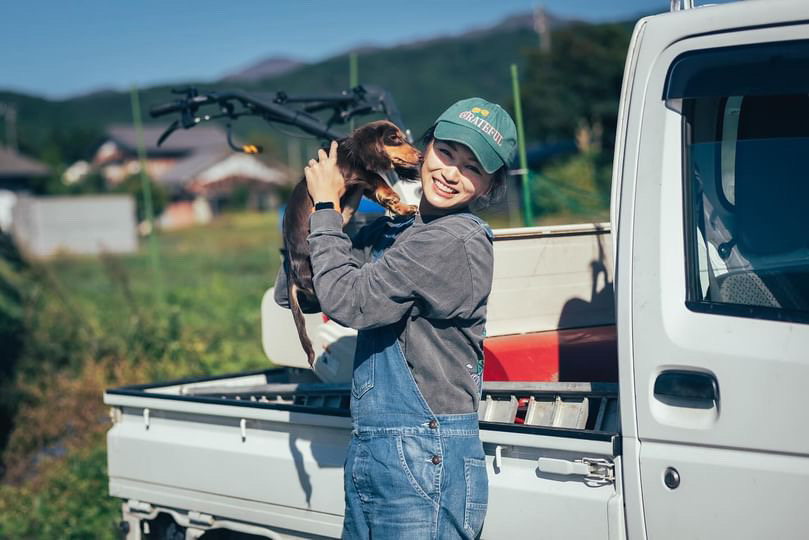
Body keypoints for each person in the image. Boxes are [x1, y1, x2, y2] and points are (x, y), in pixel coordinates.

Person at [275, 97, 517, 539]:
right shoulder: (401, 230)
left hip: (426, 452)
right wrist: (316, 204)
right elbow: (304, 289)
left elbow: (351, 302)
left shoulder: (453, 241)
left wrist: (327, 209)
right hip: (379, 446)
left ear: (488, 186)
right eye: (446, 153)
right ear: (424, 150)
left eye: (472, 168)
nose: (450, 172)